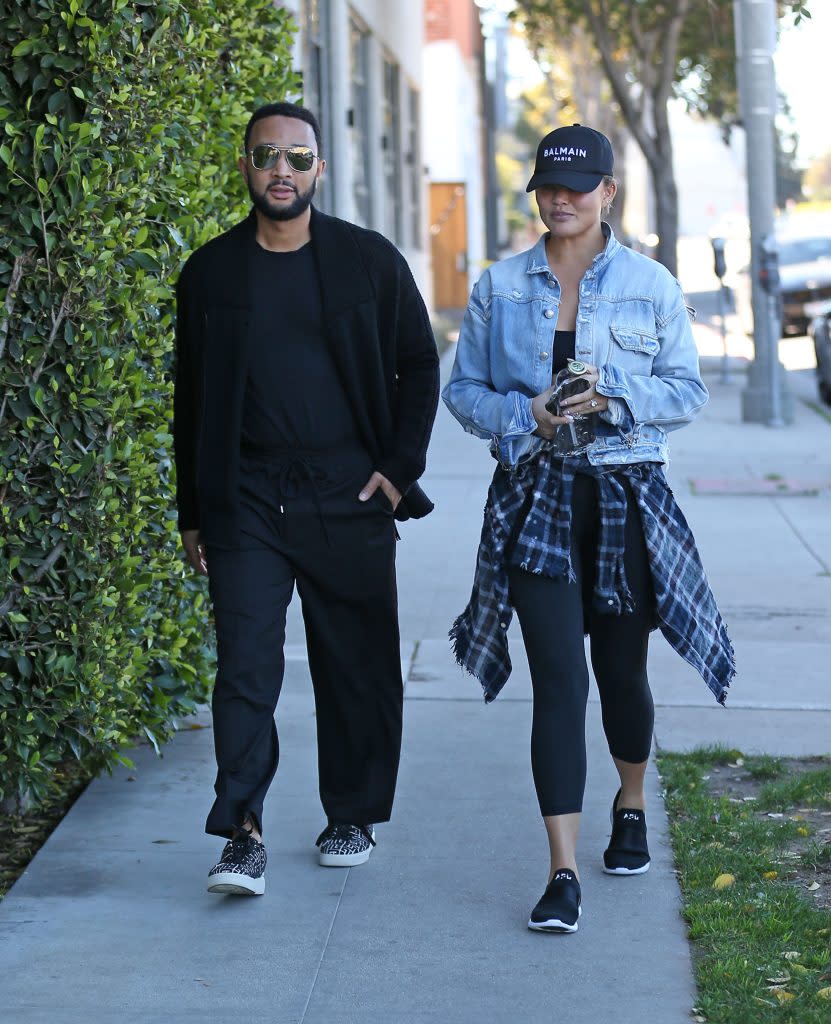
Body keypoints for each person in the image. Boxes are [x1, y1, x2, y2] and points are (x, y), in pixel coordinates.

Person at [443, 124, 734, 933]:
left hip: (624, 501)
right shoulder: (500, 288)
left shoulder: (651, 285)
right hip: (536, 502)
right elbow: (462, 392)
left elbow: (687, 391)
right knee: (558, 687)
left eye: (578, 185)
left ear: (609, 191)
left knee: (620, 675)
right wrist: (523, 414)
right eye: (548, 185)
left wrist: (613, 400)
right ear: (536, 193)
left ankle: (631, 802)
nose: (561, 198)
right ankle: (561, 872)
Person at [173, 101, 439, 896]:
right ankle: (242, 834)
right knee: (247, 669)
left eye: (297, 157)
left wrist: (396, 469)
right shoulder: (211, 272)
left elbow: (418, 365)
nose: (281, 171)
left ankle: (350, 812)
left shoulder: (367, 262)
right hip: (245, 499)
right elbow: (190, 400)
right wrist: (193, 510)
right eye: (266, 156)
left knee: (354, 664)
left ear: (319, 169)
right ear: (245, 166)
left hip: (347, 491)